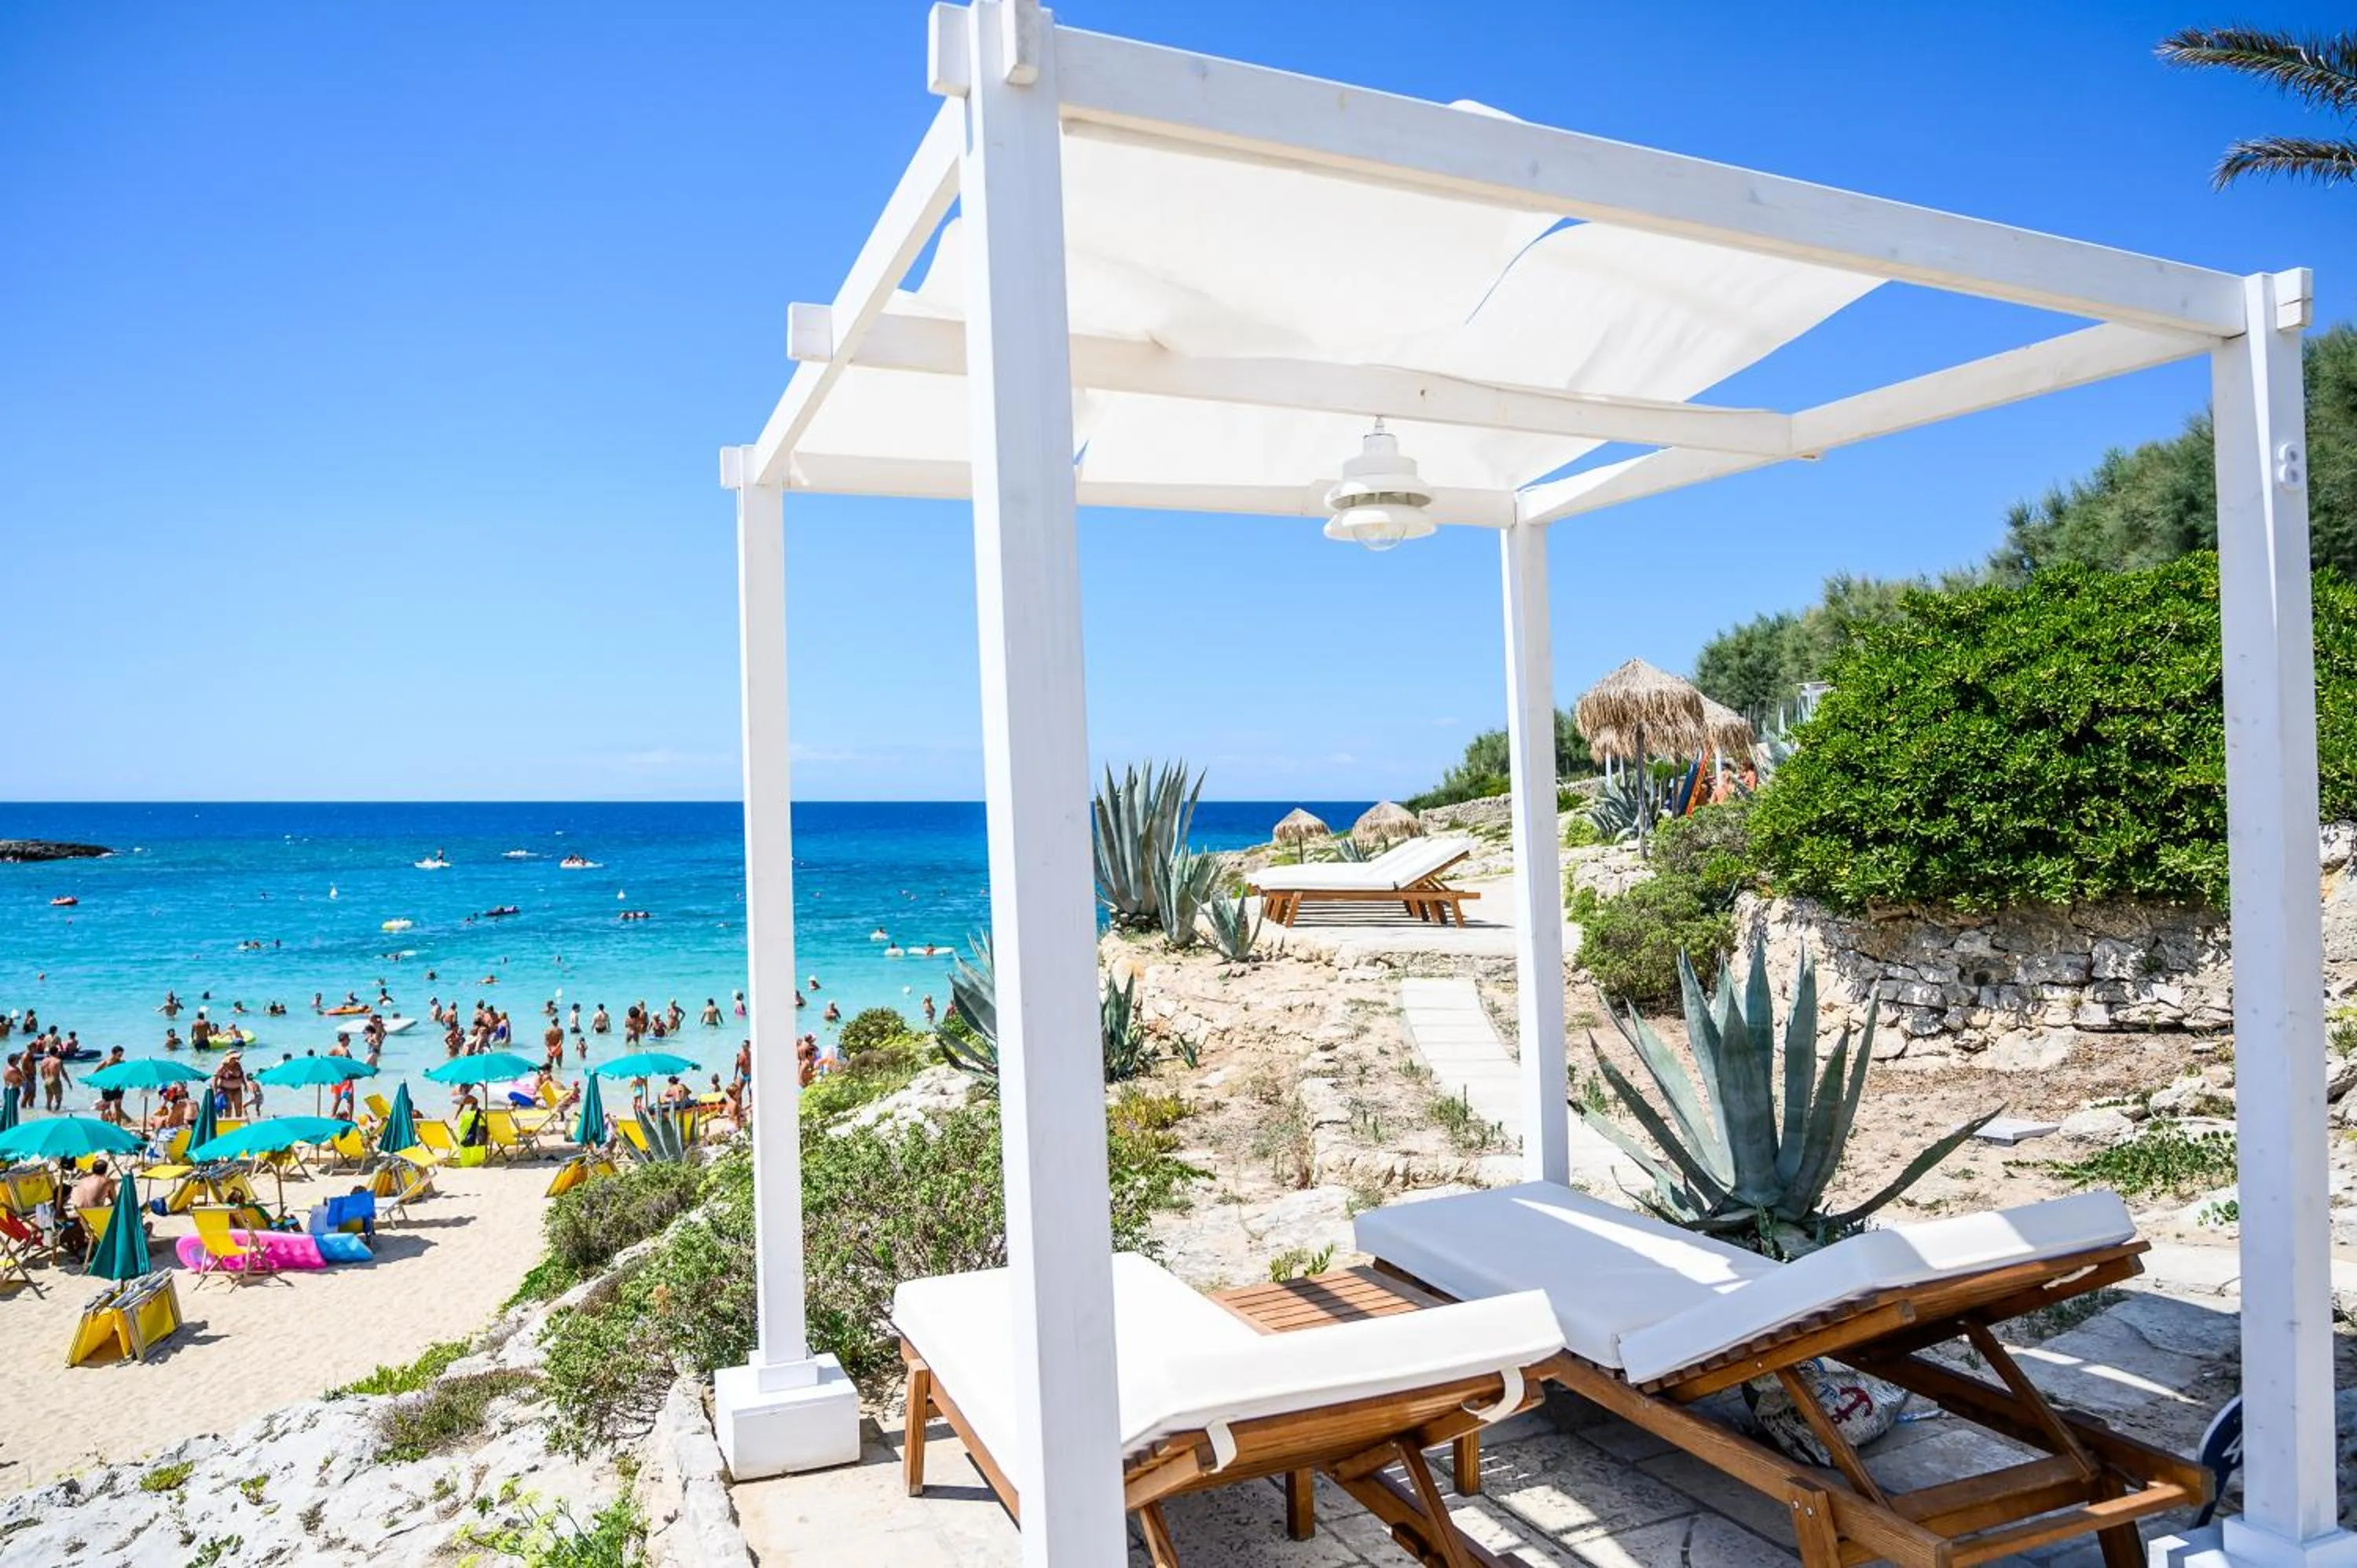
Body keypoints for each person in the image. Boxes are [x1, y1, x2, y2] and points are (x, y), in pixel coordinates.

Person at [94, 1045, 128, 1123]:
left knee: (118, 1108)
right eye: (119, 1055)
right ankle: (105, 1125)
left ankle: (119, 1126)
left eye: (121, 1055)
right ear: (113, 1053)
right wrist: (101, 1083)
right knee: (106, 1109)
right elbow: (95, 1074)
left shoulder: (122, 1063)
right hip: (107, 1088)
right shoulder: (105, 1063)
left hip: (118, 1087)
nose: (120, 1057)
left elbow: (125, 1075)